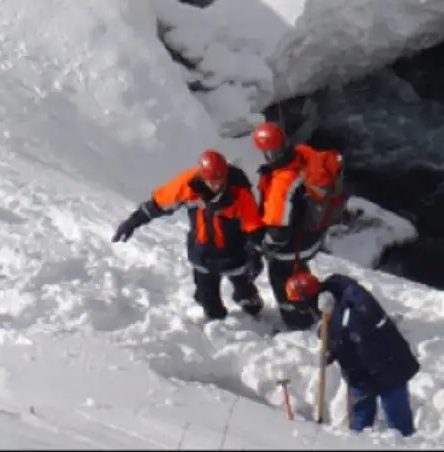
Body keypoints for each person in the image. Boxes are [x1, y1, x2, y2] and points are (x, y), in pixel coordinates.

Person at [112, 149, 265, 322]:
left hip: (234, 252)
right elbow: (160, 204)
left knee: (253, 305)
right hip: (203, 254)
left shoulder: (239, 189)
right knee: (213, 311)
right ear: (202, 176)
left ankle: (246, 296)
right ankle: (212, 313)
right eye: (211, 181)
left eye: (220, 180)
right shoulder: (187, 184)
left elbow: (253, 223)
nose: (216, 186)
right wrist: (134, 221)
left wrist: (255, 252)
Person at [285, 271, 419, 437]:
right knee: (360, 423)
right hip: (360, 372)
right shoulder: (323, 310)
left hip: (387, 363)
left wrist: (336, 328)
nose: (302, 310)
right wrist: (331, 351)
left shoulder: (350, 297)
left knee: (398, 420)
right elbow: (341, 337)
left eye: (301, 305)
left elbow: (360, 325)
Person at [251, 122, 346, 331]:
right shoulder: (304, 154)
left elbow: (278, 232)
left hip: (294, 246)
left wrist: (263, 246)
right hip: (311, 236)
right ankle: (317, 304)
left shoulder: (283, 182)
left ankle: (298, 322)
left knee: (281, 279)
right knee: (300, 275)